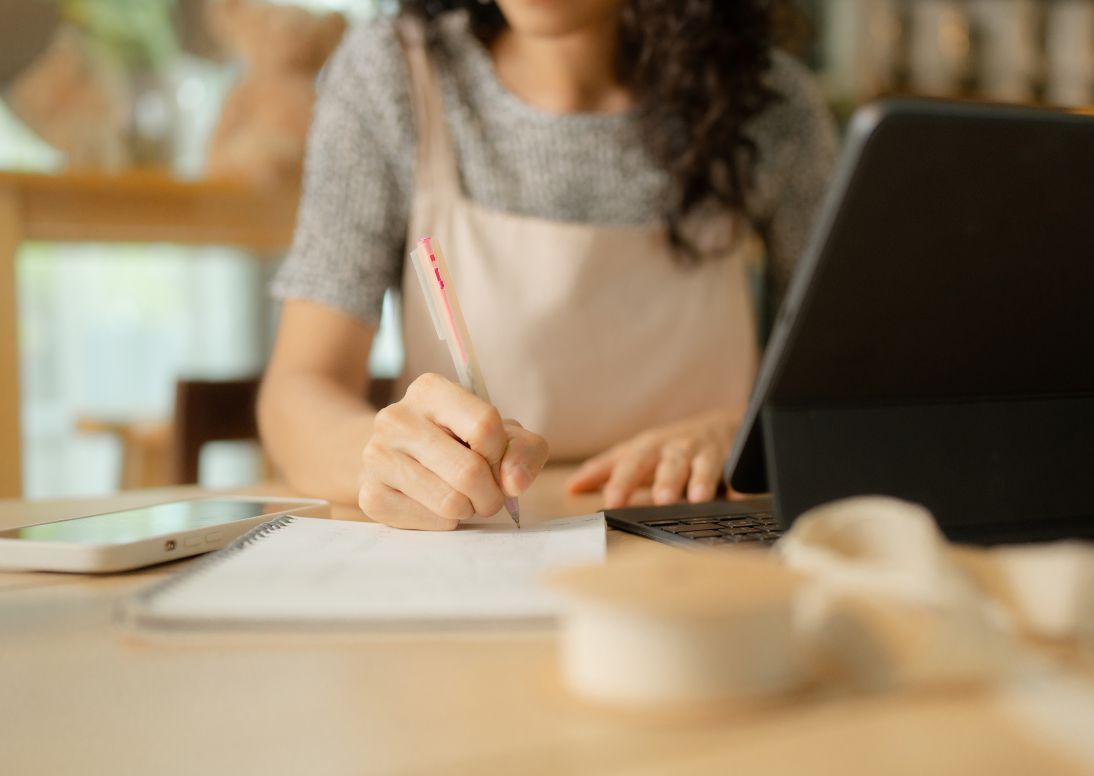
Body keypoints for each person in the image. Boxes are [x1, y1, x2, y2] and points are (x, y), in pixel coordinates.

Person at [257, 0, 838, 530]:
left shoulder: (769, 102)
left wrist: (754, 434)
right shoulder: (392, 76)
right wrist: (379, 454)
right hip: (482, 547)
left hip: (711, 540)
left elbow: (849, 382)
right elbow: (299, 388)